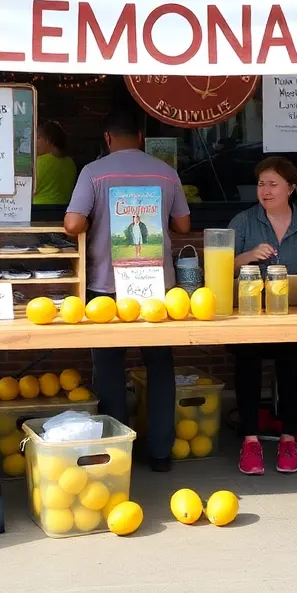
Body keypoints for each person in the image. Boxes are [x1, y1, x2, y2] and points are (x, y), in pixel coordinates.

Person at [64, 108, 191, 471]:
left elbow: (73, 223)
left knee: (108, 369)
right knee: (159, 366)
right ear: (140, 137)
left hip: (107, 286)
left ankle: (118, 450)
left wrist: (91, 217)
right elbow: (183, 224)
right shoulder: (165, 172)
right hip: (157, 287)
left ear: (107, 138)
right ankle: (161, 452)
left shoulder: (93, 172)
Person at [228, 156, 297, 476]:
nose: (265, 191)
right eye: (260, 184)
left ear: (291, 188)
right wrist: (247, 256)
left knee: (292, 358)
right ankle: (250, 439)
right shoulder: (243, 222)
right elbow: (218, 267)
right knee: (246, 357)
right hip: (250, 317)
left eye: (273, 184)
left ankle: (289, 437)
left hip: (293, 318)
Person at [33, 120, 77, 206]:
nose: (34, 142)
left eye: (38, 138)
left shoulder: (40, 162)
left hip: (39, 212)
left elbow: (26, 190)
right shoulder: (70, 162)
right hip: (64, 211)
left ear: (48, 140)